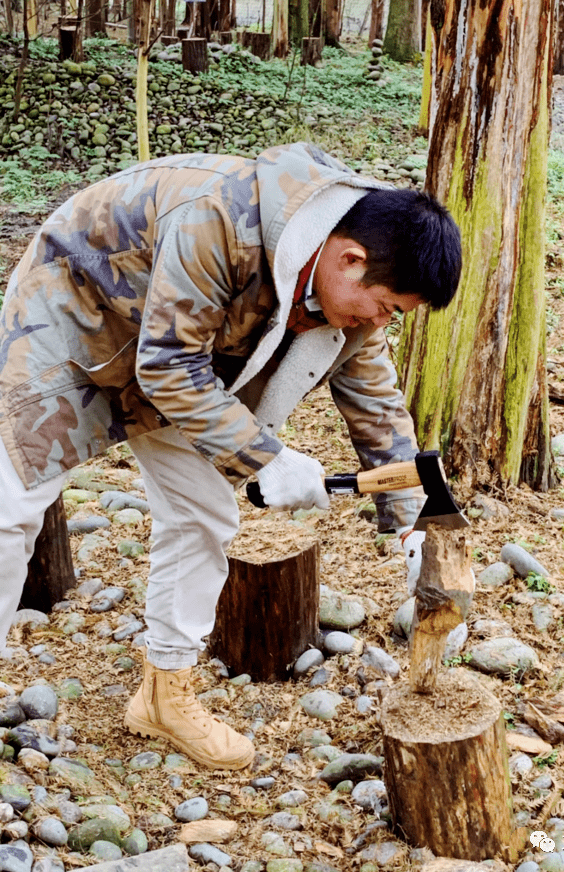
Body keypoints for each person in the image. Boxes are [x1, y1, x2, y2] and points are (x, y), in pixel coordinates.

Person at [0, 142, 462, 771]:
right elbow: (166, 365)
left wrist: (416, 530)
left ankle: (164, 695)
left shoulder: (349, 294)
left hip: (185, 355)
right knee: (9, 511)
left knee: (204, 513)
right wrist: (265, 457)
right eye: (386, 307)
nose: (382, 321)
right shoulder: (217, 215)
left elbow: (377, 407)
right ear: (350, 260)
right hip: (73, 315)